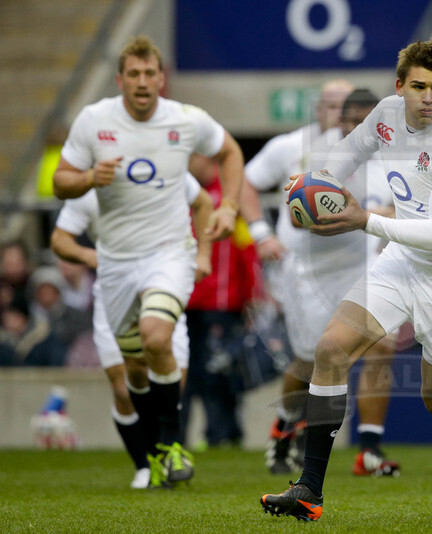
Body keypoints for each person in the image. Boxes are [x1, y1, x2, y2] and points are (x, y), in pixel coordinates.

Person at [260, 39, 432, 521]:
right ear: (400, 87)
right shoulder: (387, 113)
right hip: (402, 261)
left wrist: (361, 219)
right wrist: (315, 183)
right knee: (331, 351)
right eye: (417, 86)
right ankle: (309, 490)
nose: (427, 97)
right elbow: (348, 154)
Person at [52, 34, 244, 488]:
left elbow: (231, 152)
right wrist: (85, 179)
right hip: (117, 264)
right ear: (120, 80)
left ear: (162, 78)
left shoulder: (186, 120)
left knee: (158, 338)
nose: (142, 82)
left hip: (168, 254)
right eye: (133, 74)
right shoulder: (94, 120)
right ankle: (153, 452)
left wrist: (229, 207)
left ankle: (170, 444)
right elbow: (60, 183)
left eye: (149, 73)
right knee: (132, 370)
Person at [242, 83, 401, 477]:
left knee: (383, 346)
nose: (354, 124)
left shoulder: (390, 152)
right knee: (309, 360)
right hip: (307, 271)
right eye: (344, 113)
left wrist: (382, 218)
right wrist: (264, 233)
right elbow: (250, 182)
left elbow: (402, 208)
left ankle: (369, 450)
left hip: (361, 265)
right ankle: (284, 423)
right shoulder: (304, 151)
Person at [50, 172, 212, 488]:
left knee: (172, 381)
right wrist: (91, 256)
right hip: (115, 290)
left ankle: (169, 450)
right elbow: (59, 238)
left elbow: (202, 201)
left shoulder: (164, 164)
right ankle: (147, 461)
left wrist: (202, 254)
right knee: (126, 387)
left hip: (162, 281)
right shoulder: (94, 186)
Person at [178, 154, 264, 450]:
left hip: (223, 303)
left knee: (220, 372)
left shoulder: (229, 195)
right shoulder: (179, 190)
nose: (187, 163)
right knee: (184, 373)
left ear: (207, 158)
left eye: (192, 156)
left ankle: (224, 435)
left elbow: (246, 247)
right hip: (184, 300)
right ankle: (178, 440)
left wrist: (253, 293)